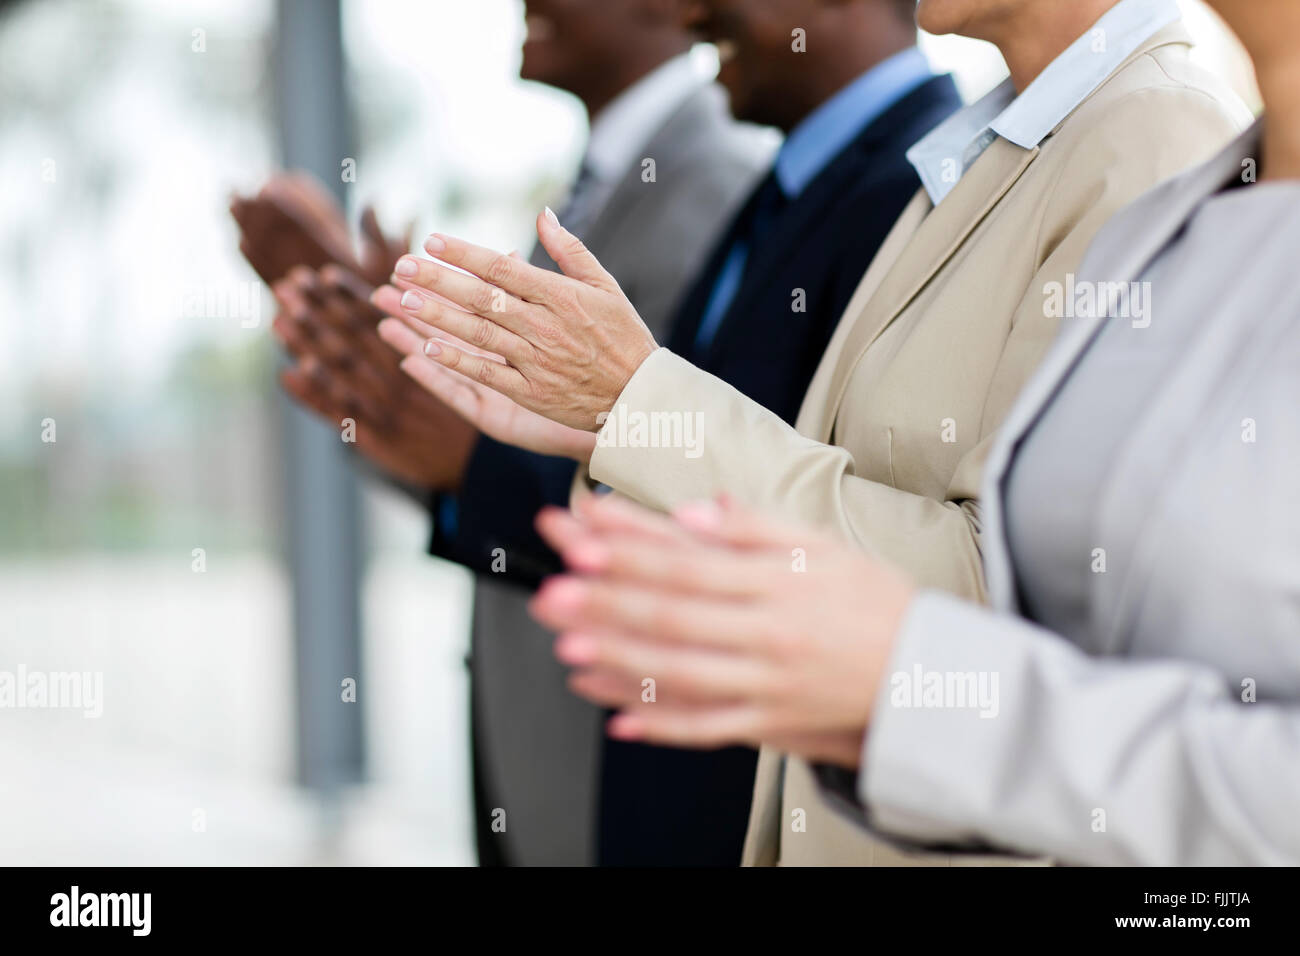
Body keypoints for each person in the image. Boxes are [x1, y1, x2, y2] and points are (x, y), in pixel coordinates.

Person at [372, 0, 1252, 865]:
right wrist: (600, 431)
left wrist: (635, 407)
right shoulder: (987, 152)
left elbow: (1014, 588)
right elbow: (838, 468)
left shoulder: (1156, 131)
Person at [384, 0, 959, 866]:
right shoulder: (784, 181)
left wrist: (481, 464)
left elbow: (873, 514)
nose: (687, 9)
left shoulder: (932, 183)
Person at [233, 0, 772, 866]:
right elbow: (478, 461)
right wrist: (376, 354)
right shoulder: (603, 183)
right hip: (547, 756)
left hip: (631, 766)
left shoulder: (727, 177)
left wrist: (468, 445)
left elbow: (708, 483)